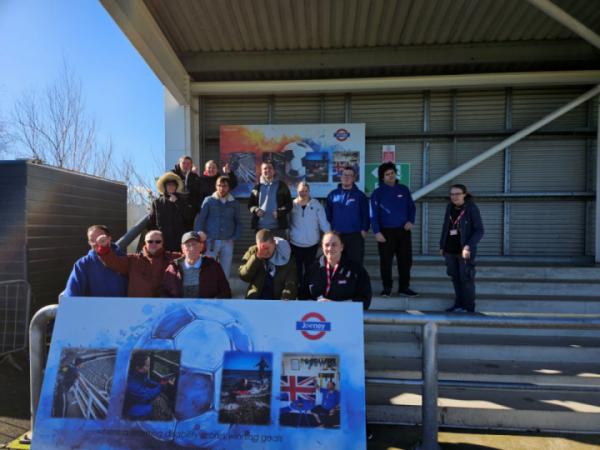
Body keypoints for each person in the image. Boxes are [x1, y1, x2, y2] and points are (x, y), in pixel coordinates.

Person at [370, 162, 418, 298]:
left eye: (392, 173)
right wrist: (376, 232)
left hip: (403, 231)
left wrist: (411, 220)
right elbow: (373, 213)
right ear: (382, 177)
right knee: (386, 262)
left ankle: (404, 287)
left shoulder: (403, 189)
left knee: (405, 261)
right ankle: (387, 288)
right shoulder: (378, 192)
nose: (390, 176)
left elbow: (411, 208)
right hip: (385, 233)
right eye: (387, 174)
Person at [439, 184, 485, 313]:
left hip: (464, 251)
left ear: (464, 194)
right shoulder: (449, 207)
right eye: (452, 194)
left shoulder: (471, 208)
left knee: (466, 279)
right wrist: (442, 245)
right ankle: (459, 305)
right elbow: (446, 227)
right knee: (455, 278)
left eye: (457, 194)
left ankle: (469, 308)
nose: (454, 197)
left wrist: (468, 247)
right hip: (449, 251)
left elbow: (479, 230)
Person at [94, 230, 180, 297]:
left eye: (158, 241)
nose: (154, 244)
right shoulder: (133, 259)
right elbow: (113, 262)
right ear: (145, 243)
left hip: (165, 306)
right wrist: (103, 247)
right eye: (150, 241)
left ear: (162, 243)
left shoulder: (173, 258)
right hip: (138, 307)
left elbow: (190, 257)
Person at [305, 231, 371, 310]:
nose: (330, 248)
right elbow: (302, 297)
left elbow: (365, 301)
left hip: (345, 319)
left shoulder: (356, 270)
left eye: (334, 244)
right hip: (318, 319)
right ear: (322, 247)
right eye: (327, 245)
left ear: (342, 247)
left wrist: (336, 306)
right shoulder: (313, 270)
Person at [289, 181, 330, 299]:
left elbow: (323, 223)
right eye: (301, 190)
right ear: (297, 191)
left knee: (310, 271)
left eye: (306, 191)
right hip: (295, 244)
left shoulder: (316, 205)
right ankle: (297, 293)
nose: (303, 193)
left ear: (309, 191)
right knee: (296, 271)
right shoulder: (291, 205)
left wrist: (329, 236)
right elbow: (287, 223)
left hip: (311, 245)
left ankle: (310, 293)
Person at [162, 231, 232, 298]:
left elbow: (225, 292)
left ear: (201, 246)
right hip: (180, 309)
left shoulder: (213, 266)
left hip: (206, 309)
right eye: (188, 245)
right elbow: (164, 293)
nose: (192, 248)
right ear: (182, 248)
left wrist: (212, 304)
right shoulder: (173, 268)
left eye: (195, 244)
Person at [63, 225, 127, 297]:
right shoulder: (82, 264)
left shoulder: (125, 260)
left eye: (100, 238)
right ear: (89, 242)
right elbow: (71, 294)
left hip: (122, 307)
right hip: (92, 307)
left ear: (109, 238)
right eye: (92, 240)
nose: (96, 243)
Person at [196, 176, 240, 277]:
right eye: (219, 185)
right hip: (211, 241)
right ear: (216, 186)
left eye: (224, 186)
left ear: (228, 187)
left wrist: (235, 237)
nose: (222, 188)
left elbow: (238, 222)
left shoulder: (234, 203)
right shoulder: (208, 200)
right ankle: (209, 291)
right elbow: (201, 219)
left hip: (228, 241)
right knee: (208, 268)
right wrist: (199, 233)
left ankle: (224, 291)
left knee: (225, 269)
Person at [325, 166, 370, 265]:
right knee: (337, 264)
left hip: (355, 236)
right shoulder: (332, 195)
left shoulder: (360, 196)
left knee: (356, 264)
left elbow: (366, 215)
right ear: (340, 177)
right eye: (344, 175)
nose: (347, 177)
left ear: (354, 178)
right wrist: (330, 231)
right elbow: (328, 214)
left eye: (350, 175)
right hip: (337, 235)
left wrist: (364, 230)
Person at [239, 229, 297, 300]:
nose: (265, 252)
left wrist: (287, 295)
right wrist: (257, 257)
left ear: (274, 243)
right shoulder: (252, 251)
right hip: (256, 297)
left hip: (278, 298)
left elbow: (291, 280)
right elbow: (244, 276)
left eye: (267, 248)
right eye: (262, 248)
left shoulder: (285, 254)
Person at [149, 172, 195, 252]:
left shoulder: (183, 201)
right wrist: (155, 238)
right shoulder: (157, 202)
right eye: (169, 185)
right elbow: (151, 221)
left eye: (173, 185)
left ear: (176, 187)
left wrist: (177, 202)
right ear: (165, 187)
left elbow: (189, 216)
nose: (171, 187)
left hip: (179, 240)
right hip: (162, 240)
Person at [123, 353, 175, 421]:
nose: (149, 367)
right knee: (148, 408)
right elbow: (147, 396)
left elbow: (147, 381)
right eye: (147, 365)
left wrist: (158, 384)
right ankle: (134, 418)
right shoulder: (131, 384)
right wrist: (161, 386)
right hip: (131, 405)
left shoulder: (138, 373)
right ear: (138, 367)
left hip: (138, 395)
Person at [248, 161, 293, 239]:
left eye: (270, 168)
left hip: (278, 229)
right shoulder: (257, 187)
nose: (267, 170)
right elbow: (250, 204)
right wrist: (256, 210)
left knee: (279, 251)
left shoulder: (282, 186)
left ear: (274, 171)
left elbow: (289, 204)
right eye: (265, 168)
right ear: (261, 171)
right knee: (262, 251)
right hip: (260, 229)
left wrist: (280, 212)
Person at [172, 155, 201, 227]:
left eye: (188, 164)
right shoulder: (172, 175)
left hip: (190, 212)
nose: (186, 165)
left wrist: (192, 175)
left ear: (191, 165)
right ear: (179, 164)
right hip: (176, 210)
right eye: (183, 163)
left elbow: (195, 191)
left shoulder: (195, 176)